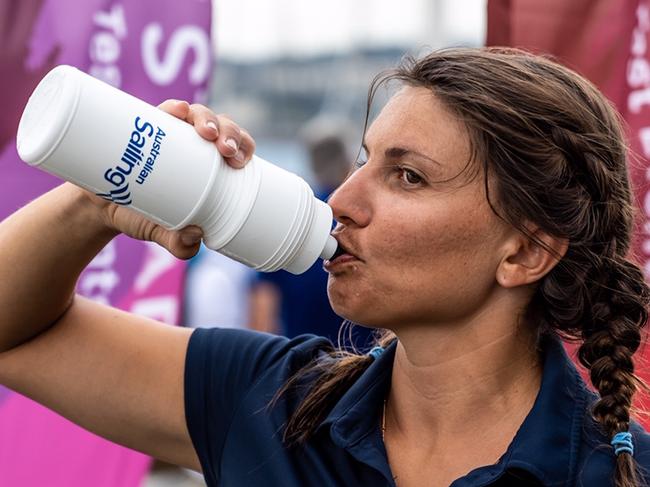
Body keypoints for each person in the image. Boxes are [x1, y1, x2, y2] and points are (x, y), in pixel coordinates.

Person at [0, 47, 649, 487]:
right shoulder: (269, 397)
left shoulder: (620, 472)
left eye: (407, 176)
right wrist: (108, 194)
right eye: (364, 160)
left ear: (525, 252)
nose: (341, 199)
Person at [249, 119, 373, 349]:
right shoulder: (367, 220)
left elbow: (263, 314)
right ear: (348, 160)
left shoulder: (287, 217)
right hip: (366, 365)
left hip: (302, 366)